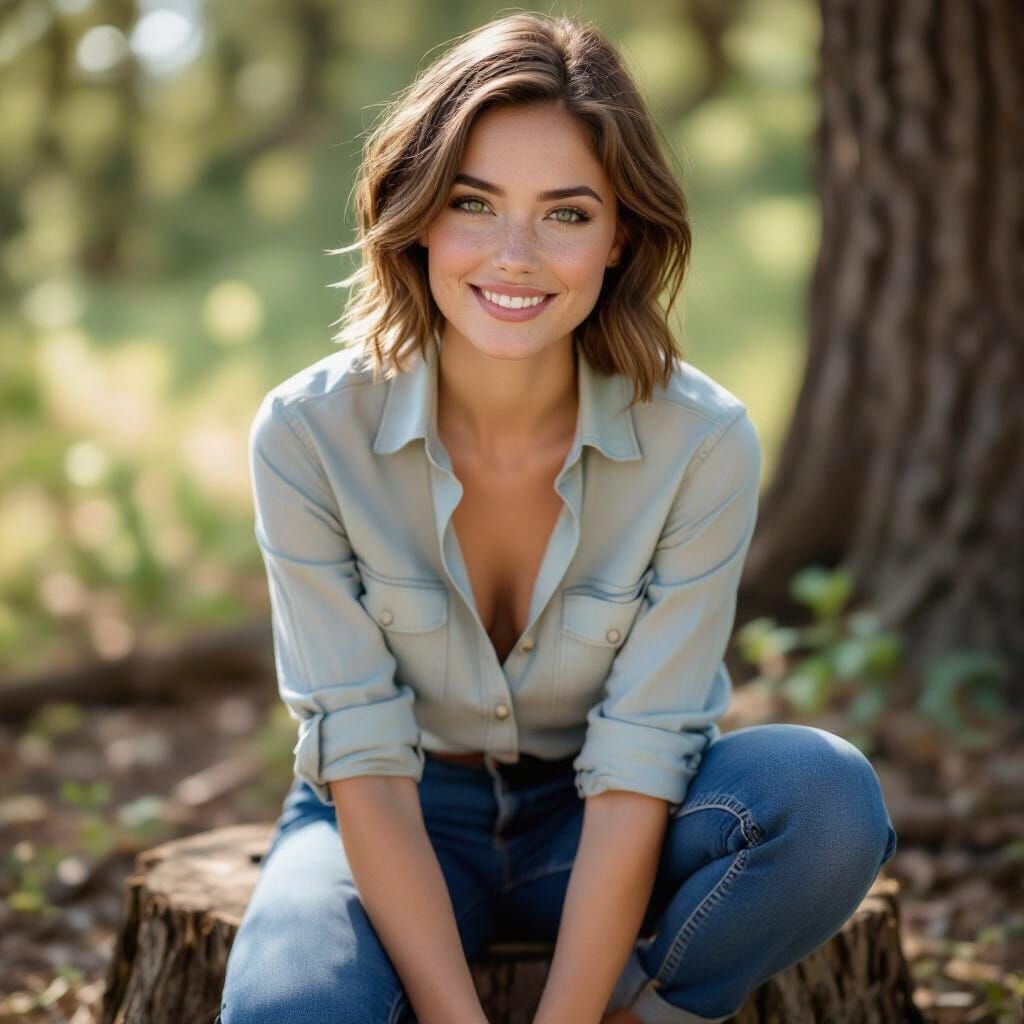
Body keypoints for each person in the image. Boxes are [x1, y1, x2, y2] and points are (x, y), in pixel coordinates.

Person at [217, 13, 897, 1024]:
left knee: (827, 799)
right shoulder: (309, 434)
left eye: (565, 214)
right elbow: (359, 756)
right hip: (399, 815)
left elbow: (639, 761)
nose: (513, 255)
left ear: (621, 231)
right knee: (288, 1011)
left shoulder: (699, 442)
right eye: (473, 203)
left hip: (606, 814)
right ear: (417, 215)